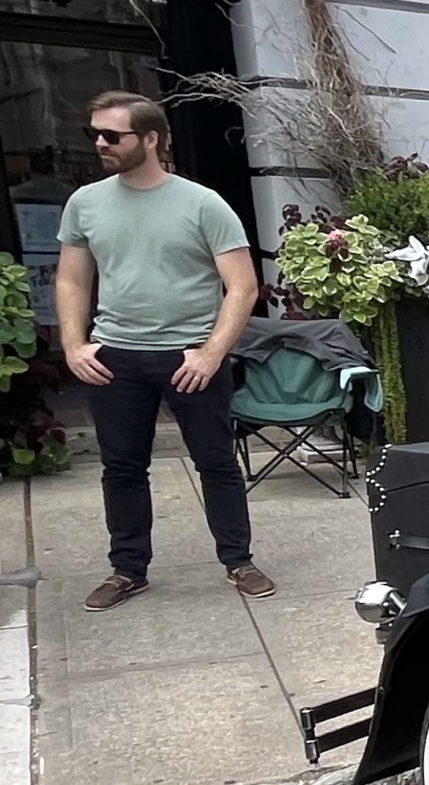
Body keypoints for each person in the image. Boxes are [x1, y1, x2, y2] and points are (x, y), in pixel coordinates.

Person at [55, 93, 273, 610]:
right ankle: (127, 570)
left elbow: (242, 287)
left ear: (150, 139)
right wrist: (73, 344)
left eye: (113, 135)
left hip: (189, 356)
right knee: (122, 469)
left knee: (217, 463)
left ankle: (237, 560)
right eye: (95, 134)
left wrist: (211, 353)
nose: (101, 144)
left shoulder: (202, 204)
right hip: (116, 357)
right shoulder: (85, 203)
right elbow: (70, 280)